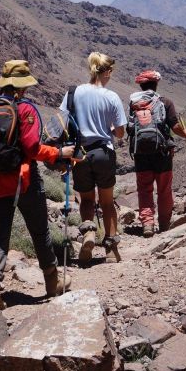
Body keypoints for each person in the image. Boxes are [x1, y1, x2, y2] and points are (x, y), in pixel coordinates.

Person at [0, 60, 75, 310]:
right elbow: (32, 149)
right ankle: (52, 283)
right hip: (24, 179)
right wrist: (58, 153)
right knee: (40, 230)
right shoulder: (26, 110)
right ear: (22, 87)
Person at [62, 52, 127, 264]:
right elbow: (119, 133)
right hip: (103, 152)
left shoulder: (73, 92)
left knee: (87, 199)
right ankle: (110, 249)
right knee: (107, 202)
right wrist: (107, 127)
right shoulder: (111, 97)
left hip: (79, 154)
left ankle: (89, 231)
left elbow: (63, 121)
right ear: (107, 71)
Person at [128, 69, 186, 237]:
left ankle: (148, 224)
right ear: (156, 84)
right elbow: (174, 126)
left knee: (144, 189)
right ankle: (164, 223)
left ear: (141, 85)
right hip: (162, 152)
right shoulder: (166, 102)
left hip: (140, 152)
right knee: (164, 189)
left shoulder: (133, 103)